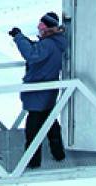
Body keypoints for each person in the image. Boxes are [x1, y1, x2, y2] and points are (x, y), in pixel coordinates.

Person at [9, 12, 67, 169]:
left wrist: (19, 37)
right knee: (49, 121)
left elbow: (32, 54)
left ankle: (33, 161)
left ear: (48, 28)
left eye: (41, 25)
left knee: (33, 128)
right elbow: (38, 50)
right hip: (47, 90)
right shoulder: (55, 42)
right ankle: (58, 153)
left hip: (38, 90)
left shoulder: (48, 44)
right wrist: (25, 40)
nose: (38, 27)